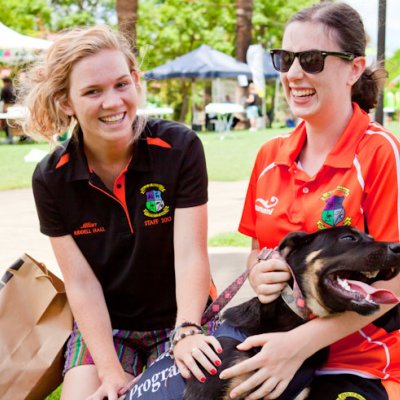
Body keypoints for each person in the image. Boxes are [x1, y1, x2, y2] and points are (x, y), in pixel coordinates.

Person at [21, 25, 222, 400]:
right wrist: (111, 372)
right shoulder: (50, 177)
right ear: (67, 102)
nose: (112, 102)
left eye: (120, 85)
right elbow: (81, 284)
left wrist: (188, 329)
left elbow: (191, 253)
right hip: (106, 325)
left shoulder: (179, 147)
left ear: (135, 81)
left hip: (179, 316)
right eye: (92, 92)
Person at [219, 3, 400, 400]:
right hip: (271, 343)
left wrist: (298, 345)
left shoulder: (381, 152)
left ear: (354, 69)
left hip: (359, 362)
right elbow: (257, 255)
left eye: (312, 60)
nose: (293, 74)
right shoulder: (269, 155)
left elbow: (397, 281)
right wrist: (258, 272)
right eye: (285, 60)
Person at [1, 77, 16, 143]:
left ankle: (9, 137)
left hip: (7, 107)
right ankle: (23, 137)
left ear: (5, 82)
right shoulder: (15, 88)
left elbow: (1, 99)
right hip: (16, 107)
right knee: (16, 123)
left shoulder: (4, 89)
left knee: (7, 123)